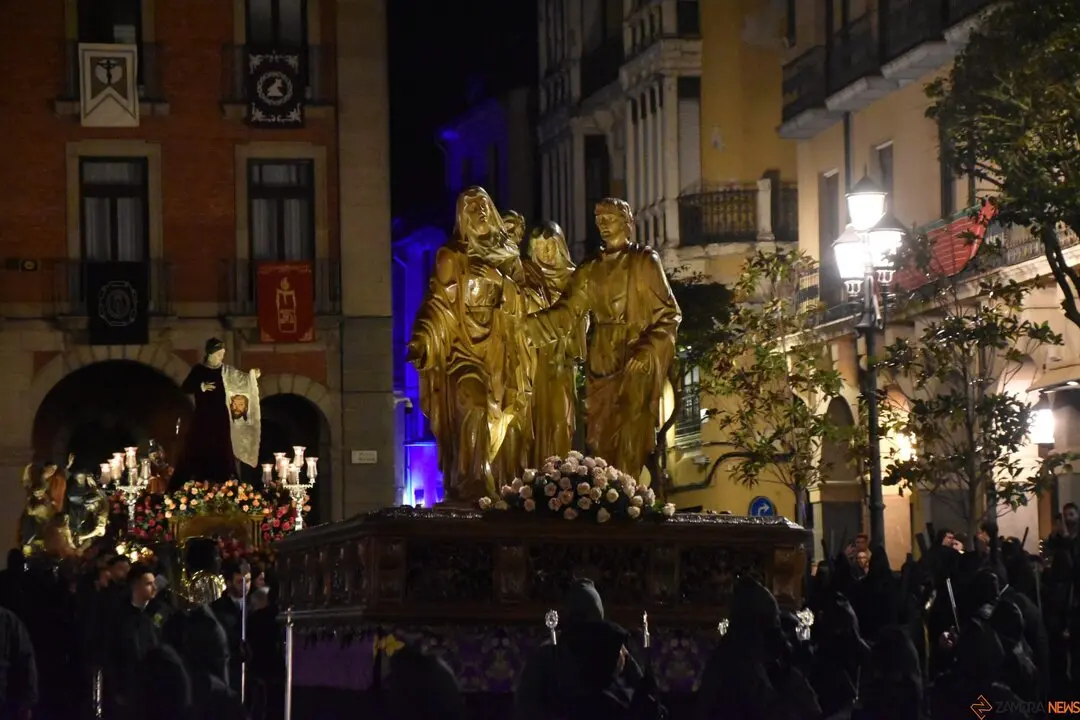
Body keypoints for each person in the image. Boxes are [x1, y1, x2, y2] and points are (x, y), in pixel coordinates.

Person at [526, 198, 681, 478]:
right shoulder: (590, 269)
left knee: (630, 440)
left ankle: (627, 503)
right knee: (599, 440)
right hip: (602, 360)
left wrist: (647, 349)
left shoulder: (644, 261)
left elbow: (669, 315)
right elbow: (566, 312)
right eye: (599, 222)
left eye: (610, 219)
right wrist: (525, 328)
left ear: (627, 223)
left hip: (634, 357)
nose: (604, 226)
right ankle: (607, 503)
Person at [172, 339, 260, 489]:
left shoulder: (226, 371)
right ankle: (196, 480)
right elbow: (186, 387)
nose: (221, 357)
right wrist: (201, 386)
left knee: (223, 447)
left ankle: (225, 483)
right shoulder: (199, 370)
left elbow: (242, 379)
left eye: (223, 354)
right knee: (198, 445)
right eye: (218, 354)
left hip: (221, 417)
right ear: (210, 354)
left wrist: (252, 376)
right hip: (203, 417)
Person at [210, 560, 251, 696]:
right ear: (228, 583)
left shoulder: (255, 605)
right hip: (228, 671)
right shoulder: (216, 609)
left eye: (248, 581)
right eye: (240, 582)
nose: (246, 586)